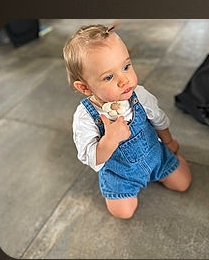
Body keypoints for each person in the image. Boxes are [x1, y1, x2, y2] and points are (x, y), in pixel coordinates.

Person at [63, 24, 192, 219]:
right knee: (123, 213)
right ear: (85, 88)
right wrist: (110, 140)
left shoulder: (138, 94)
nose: (124, 80)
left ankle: (167, 167)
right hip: (120, 174)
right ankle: (121, 190)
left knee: (183, 183)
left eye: (126, 67)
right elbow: (90, 157)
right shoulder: (85, 117)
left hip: (155, 157)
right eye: (108, 77)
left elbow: (158, 119)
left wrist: (169, 142)